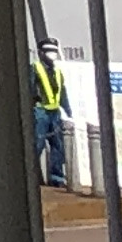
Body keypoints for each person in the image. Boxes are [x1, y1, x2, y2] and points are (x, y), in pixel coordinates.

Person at [32, 48, 72, 187]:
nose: (52, 54)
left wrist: (68, 110)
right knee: (38, 144)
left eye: (54, 51)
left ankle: (57, 178)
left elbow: (62, 93)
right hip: (40, 111)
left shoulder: (57, 72)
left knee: (58, 145)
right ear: (41, 53)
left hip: (55, 112)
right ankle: (32, 176)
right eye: (49, 51)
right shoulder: (35, 68)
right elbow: (30, 87)